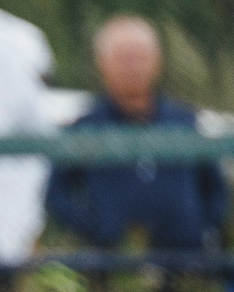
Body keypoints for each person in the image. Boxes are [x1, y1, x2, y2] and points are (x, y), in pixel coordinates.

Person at [45, 14, 225, 252]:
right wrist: (96, 227)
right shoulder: (85, 127)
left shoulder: (185, 122)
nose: (132, 67)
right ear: (102, 63)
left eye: (139, 57)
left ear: (157, 60)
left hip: (185, 263)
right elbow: (57, 195)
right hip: (112, 263)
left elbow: (215, 188)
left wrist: (200, 226)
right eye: (123, 58)